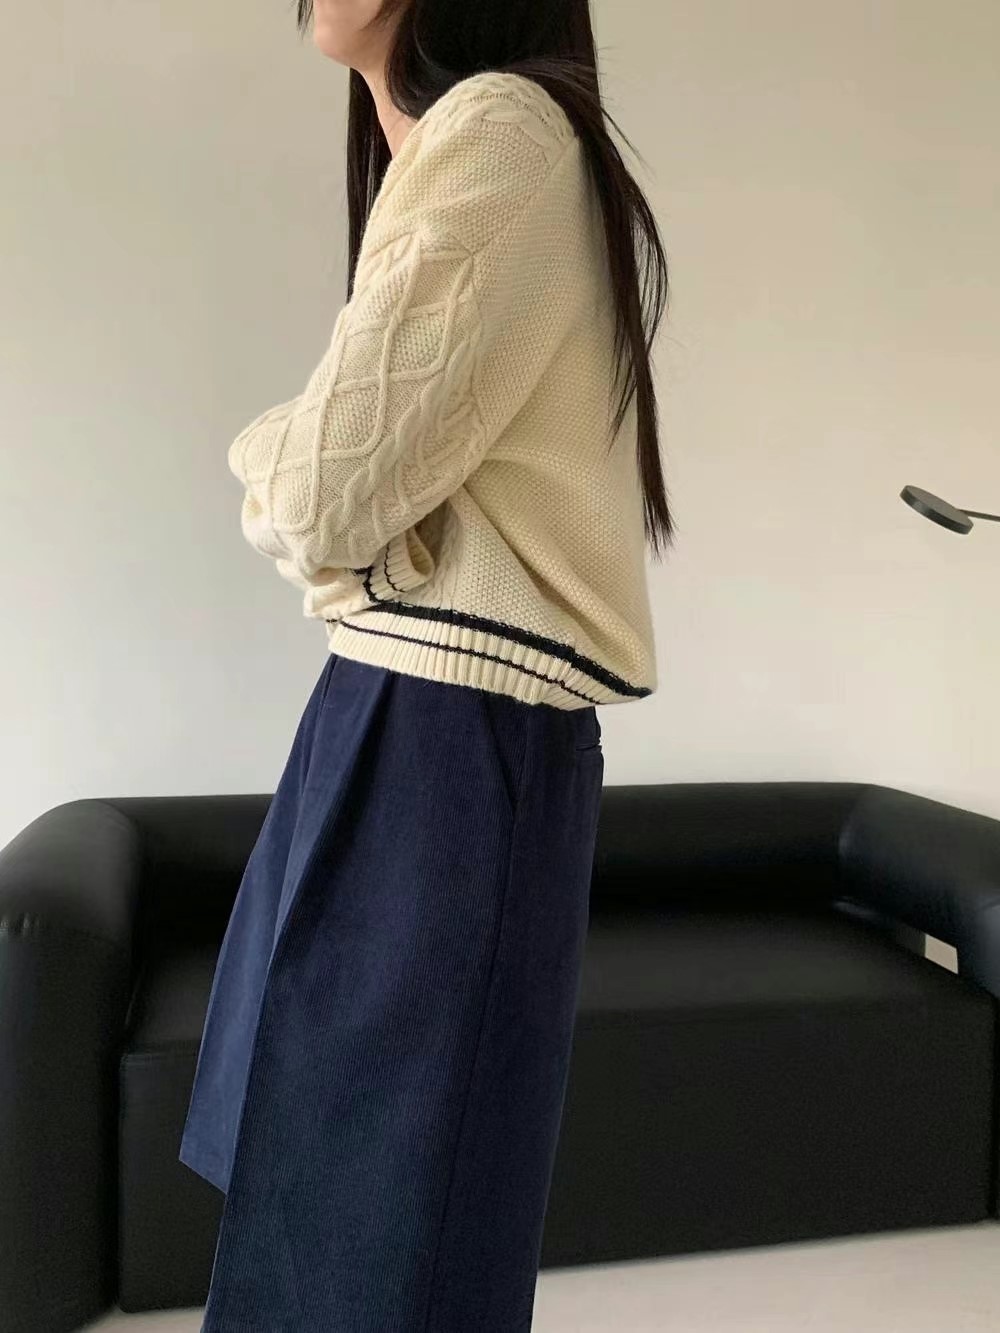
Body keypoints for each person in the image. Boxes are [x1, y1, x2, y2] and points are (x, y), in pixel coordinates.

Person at [179, 0, 674, 1328]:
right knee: (332, 1210)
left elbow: (321, 491)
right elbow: (349, 493)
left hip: (450, 731)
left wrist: (272, 459)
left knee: (379, 1244)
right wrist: (333, 497)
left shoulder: (500, 130)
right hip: (407, 711)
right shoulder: (466, 145)